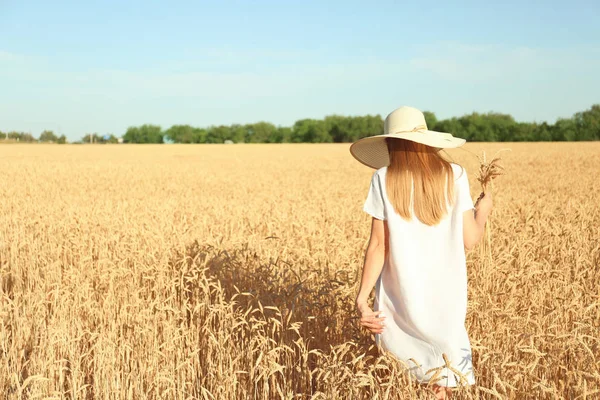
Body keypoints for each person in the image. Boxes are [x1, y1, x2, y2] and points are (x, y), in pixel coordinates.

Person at [350, 106, 493, 400]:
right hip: (445, 304)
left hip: (399, 303)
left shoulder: (383, 178)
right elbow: (471, 240)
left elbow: (379, 245)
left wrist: (362, 300)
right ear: (426, 140)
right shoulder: (455, 175)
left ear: (391, 143)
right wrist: (484, 211)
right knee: (439, 386)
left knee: (403, 385)